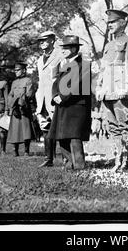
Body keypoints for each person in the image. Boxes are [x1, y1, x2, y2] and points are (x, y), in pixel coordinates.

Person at [96, 9, 128, 171]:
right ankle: (117, 160)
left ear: (122, 22)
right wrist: (99, 88)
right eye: (108, 23)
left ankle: (126, 161)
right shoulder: (108, 45)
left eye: (113, 22)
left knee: (124, 125)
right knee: (112, 127)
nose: (110, 25)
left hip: (121, 91)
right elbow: (103, 68)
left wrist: (126, 87)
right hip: (107, 91)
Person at [47, 35, 91, 170]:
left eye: (66, 48)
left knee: (74, 136)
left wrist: (63, 97)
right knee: (61, 136)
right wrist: (55, 95)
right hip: (63, 104)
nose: (63, 50)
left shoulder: (83, 65)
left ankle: (79, 165)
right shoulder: (64, 65)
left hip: (76, 105)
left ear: (74, 49)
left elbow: (77, 86)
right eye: (62, 48)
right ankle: (69, 163)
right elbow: (56, 82)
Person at [35, 31, 63, 168]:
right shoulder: (40, 60)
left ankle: (66, 159)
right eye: (40, 40)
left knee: (60, 127)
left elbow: (63, 77)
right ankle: (48, 158)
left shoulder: (60, 56)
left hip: (55, 97)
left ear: (52, 40)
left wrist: (60, 95)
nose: (41, 43)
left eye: (44, 40)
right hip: (42, 99)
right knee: (45, 128)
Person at [7, 62, 35, 157]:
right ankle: (15, 150)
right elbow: (10, 94)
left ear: (23, 70)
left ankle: (26, 151)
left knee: (26, 130)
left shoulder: (28, 80)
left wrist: (20, 101)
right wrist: (12, 102)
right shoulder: (14, 82)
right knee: (15, 130)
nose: (16, 72)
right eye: (15, 70)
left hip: (24, 108)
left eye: (18, 70)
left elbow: (29, 94)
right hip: (15, 109)